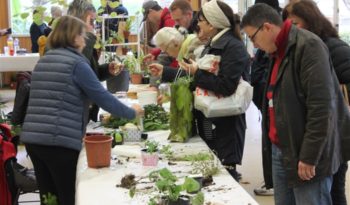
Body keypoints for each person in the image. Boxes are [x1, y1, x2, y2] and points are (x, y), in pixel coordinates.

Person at [20, 15, 144, 205]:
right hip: (59, 141)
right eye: (82, 35)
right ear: (73, 37)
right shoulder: (77, 64)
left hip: (34, 140)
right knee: (68, 196)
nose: (85, 39)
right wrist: (132, 112)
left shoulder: (44, 60)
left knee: (48, 198)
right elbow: (102, 98)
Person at [241, 3, 350, 205]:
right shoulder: (276, 51)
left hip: (305, 153)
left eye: (253, 37)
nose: (254, 44)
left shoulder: (308, 46)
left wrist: (309, 156)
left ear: (266, 27)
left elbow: (322, 108)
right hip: (281, 149)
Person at [180, 0, 250, 181]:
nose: (198, 24)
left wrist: (197, 72)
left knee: (225, 176)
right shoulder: (214, 43)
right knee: (213, 173)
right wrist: (167, 72)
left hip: (225, 125)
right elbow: (203, 77)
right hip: (210, 119)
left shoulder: (233, 47)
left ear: (212, 24)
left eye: (201, 20)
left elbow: (226, 86)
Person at [287, 2, 350, 204]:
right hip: (318, 132)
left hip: (336, 132)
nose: (291, 29)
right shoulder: (299, 47)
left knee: (335, 190)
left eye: (295, 23)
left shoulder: (332, 47)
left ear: (311, 20)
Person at [67, 0, 122, 121]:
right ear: (77, 21)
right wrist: (88, 35)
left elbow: (90, 72)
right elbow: (79, 67)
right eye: (91, 21)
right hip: (72, 116)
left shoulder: (81, 42)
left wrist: (107, 70)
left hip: (86, 113)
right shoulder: (64, 43)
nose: (94, 26)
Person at [250, 0, 281, 197]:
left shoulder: (276, 37)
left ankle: (273, 182)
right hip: (265, 97)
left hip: (272, 101)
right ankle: (271, 181)